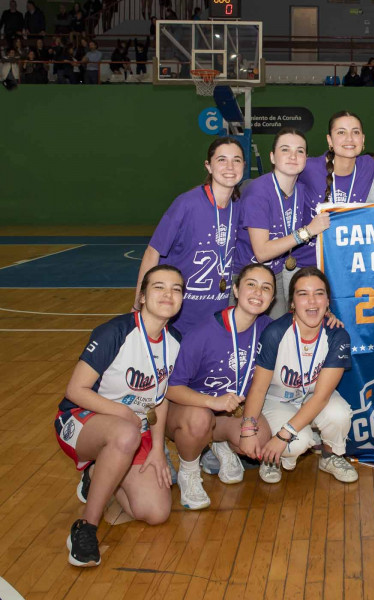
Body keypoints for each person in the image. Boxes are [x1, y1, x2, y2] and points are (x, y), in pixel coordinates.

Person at [56, 265, 184, 567]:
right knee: (124, 433)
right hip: (80, 421)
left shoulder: (174, 340)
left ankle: (97, 474)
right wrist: (124, 413)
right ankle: (86, 527)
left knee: (155, 512)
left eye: (176, 289)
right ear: (141, 297)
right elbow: (76, 390)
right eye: (159, 287)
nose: (168, 294)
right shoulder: (115, 332)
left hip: (130, 432)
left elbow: (160, 399)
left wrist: (156, 450)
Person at [165, 264, 276, 509]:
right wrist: (211, 402)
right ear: (236, 289)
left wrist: (329, 317)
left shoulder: (268, 329)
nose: (258, 292)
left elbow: (304, 322)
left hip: (228, 413)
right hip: (188, 412)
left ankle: (219, 444)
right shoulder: (203, 333)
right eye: (251, 284)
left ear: (272, 298)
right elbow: (171, 389)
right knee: (199, 418)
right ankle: (190, 471)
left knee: (260, 439)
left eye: (265, 288)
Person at [239, 267, 357, 484]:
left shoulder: (337, 335)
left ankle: (330, 457)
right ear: (292, 302)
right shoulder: (275, 332)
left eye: (319, 293)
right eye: (303, 294)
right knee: (298, 442)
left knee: (339, 414)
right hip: (276, 400)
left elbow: (321, 397)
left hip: (313, 398)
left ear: (327, 301)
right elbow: (258, 388)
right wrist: (248, 428)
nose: (312, 301)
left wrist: (284, 434)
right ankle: (271, 457)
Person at [135, 138, 244, 334]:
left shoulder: (237, 206)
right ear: (208, 166)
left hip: (216, 316)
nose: (230, 166)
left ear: (244, 165)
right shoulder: (186, 204)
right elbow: (153, 253)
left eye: (236, 160)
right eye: (221, 160)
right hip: (179, 317)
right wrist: (138, 305)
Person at [234, 128, 330, 320]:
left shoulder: (300, 191)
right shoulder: (258, 192)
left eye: (300, 151)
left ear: (306, 159)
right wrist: (308, 231)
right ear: (272, 157)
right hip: (246, 276)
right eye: (285, 149)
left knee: (275, 334)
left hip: (275, 274)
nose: (293, 156)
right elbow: (262, 252)